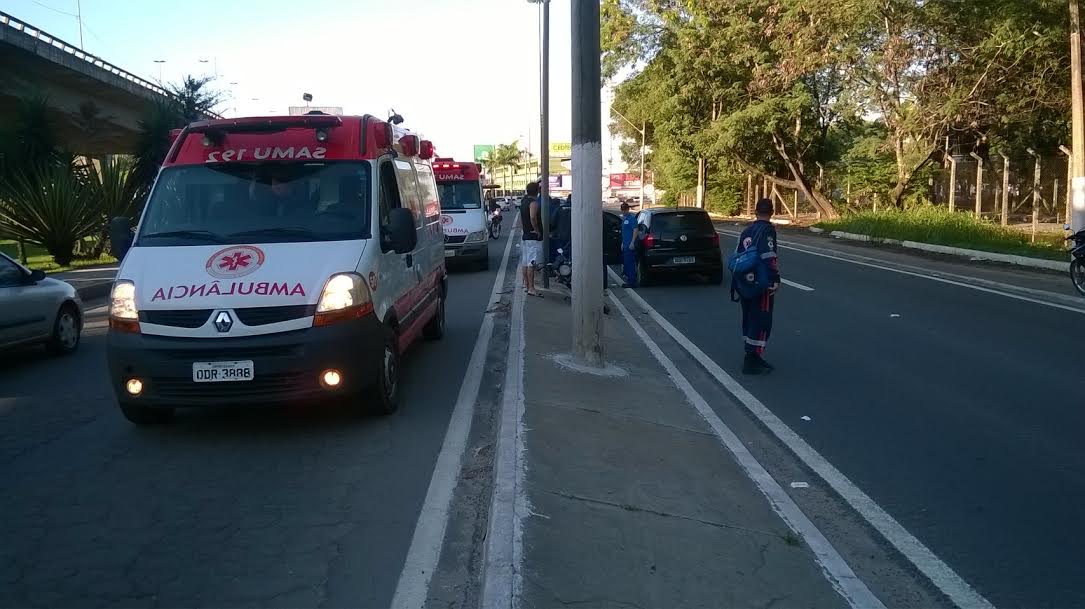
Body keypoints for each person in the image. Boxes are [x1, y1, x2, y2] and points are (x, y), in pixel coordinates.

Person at [735, 198, 781, 374]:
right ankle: (752, 359)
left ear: (755, 212)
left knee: (749, 316)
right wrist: (774, 279)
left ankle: (751, 354)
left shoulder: (747, 231)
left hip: (745, 282)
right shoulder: (768, 231)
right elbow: (769, 256)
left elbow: (739, 254)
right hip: (760, 282)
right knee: (761, 319)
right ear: (772, 212)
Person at [520, 182, 543, 296]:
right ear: (537, 191)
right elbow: (533, 217)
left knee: (525, 262)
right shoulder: (533, 203)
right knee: (531, 262)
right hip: (532, 236)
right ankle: (531, 288)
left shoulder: (523, 201)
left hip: (525, 235)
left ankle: (525, 285)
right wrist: (537, 230)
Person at [619, 202, 640, 288]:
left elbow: (635, 230)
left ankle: (632, 281)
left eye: (625, 210)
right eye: (622, 210)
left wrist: (632, 242)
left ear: (628, 209)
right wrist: (623, 243)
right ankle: (628, 278)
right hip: (626, 243)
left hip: (630, 244)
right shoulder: (625, 219)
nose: (624, 212)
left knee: (630, 262)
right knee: (626, 262)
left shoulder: (631, 219)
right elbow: (624, 232)